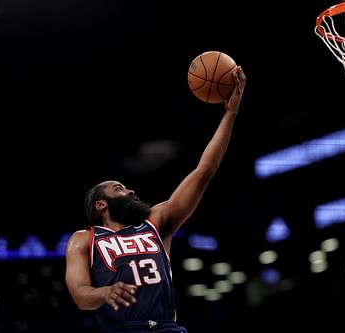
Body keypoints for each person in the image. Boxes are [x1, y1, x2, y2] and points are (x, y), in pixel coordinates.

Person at [65, 66, 246, 333]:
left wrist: (231, 114)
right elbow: (80, 295)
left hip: (166, 329)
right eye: (119, 188)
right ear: (100, 204)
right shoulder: (85, 239)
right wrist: (104, 294)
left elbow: (204, 172)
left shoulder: (156, 222)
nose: (130, 191)